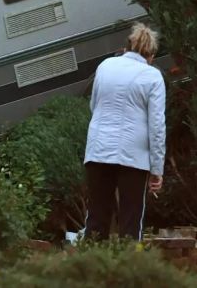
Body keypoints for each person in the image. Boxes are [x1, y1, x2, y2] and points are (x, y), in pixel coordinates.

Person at [83, 22, 166, 241]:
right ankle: (129, 270)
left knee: (96, 217)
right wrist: (157, 169)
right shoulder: (153, 76)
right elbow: (156, 126)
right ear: (151, 56)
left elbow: (94, 106)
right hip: (133, 156)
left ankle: (87, 269)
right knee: (131, 221)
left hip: (98, 149)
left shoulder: (105, 65)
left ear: (126, 48)